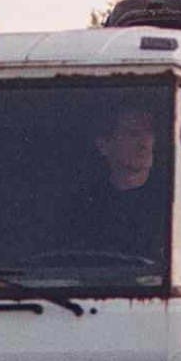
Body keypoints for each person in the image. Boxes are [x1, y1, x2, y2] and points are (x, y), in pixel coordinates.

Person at [65, 104, 165, 257]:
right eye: (133, 134)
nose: (144, 144)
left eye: (149, 134)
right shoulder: (86, 206)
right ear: (104, 145)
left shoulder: (170, 200)